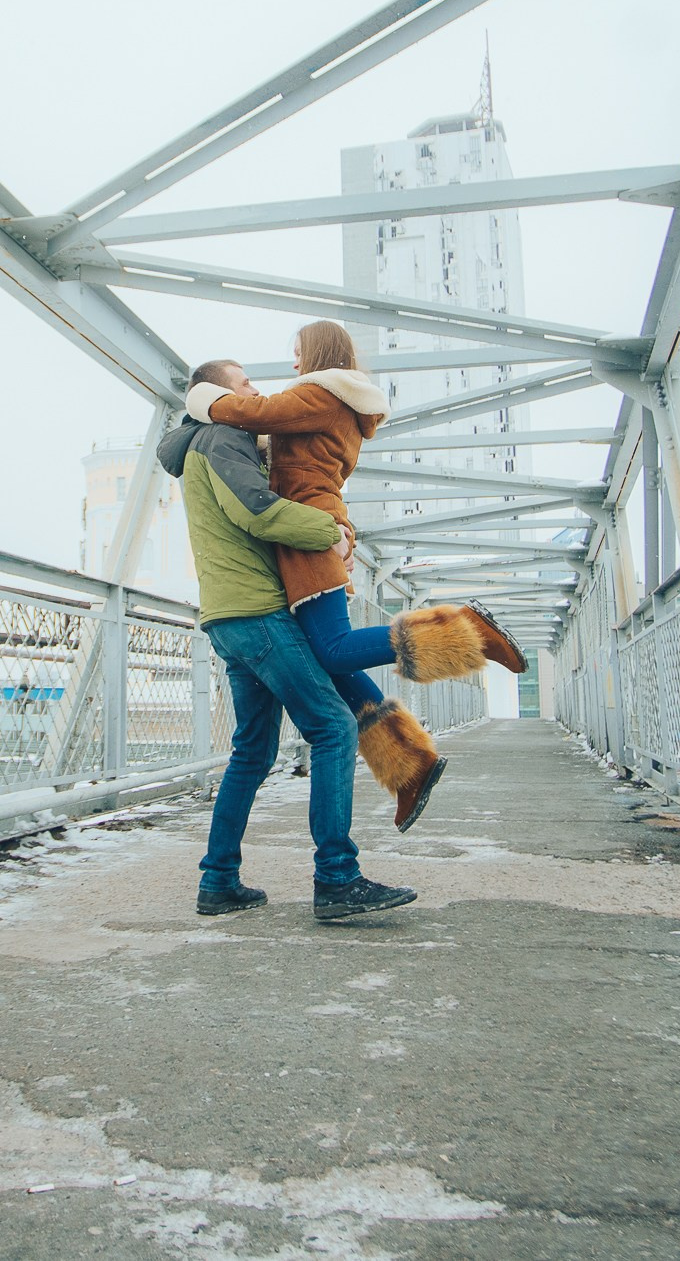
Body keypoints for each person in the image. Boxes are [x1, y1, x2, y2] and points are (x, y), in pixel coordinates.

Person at [185, 321, 527, 830]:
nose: (292, 364)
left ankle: (463, 631)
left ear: (318, 352)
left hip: (307, 536)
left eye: (298, 351)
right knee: (336, 668)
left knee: (334, 650)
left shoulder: (319, 393)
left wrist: (205, 398)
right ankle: (408, 764)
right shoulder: (331, 402)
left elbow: (253, 413)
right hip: (312, 530)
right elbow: (292, 461)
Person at [156, 362, 418, 923]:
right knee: (334, 727)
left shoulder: (200, 446)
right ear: (218, 392)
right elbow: (257, 511)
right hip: (257, 613)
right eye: (245, 383)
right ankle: (337, 879)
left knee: (253, 752)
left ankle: (218, 881)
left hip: (228, 615)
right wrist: (331, 533)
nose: (254, 391)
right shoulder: (221, 436)